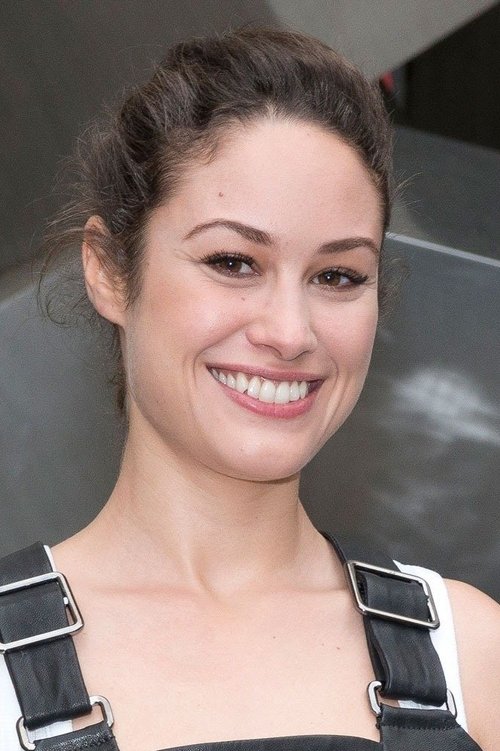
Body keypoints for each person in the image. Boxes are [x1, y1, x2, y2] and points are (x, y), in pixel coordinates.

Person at [0, 26, 498, 751]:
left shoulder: (474, 658)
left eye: (337, 276)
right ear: (109, 270)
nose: (290, 331)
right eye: (233, 262)